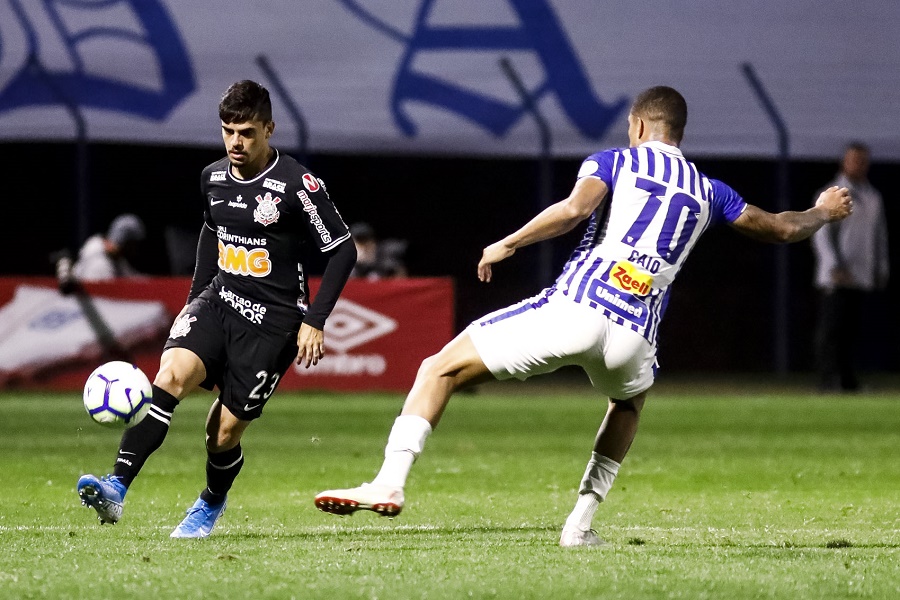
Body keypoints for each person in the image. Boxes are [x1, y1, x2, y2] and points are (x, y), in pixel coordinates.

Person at [314, 86, 852, 547]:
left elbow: (573, 212)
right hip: (635, 337)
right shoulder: (711, 191)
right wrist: (824, 212)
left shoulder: (614, 160)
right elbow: (783, 227)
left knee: (439, 368)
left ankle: (389, 481)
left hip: (575, 310)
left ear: (639, 124)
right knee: (628, 404)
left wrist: (508, 243)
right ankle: (580, 523)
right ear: (679, 132)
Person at [76, 80, 357, 538]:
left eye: (246, 132)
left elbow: (343, 250)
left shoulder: (297, 185)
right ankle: (115, 488)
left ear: (269, 128)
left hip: (274, 322)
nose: (235, 142)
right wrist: (194, 302)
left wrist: (314, 320)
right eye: (228, 131)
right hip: (220, 300)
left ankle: (211, 502)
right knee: (168, 376)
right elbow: (212, 232)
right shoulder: (213, 178)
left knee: (222, 434)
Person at [811, 142, 889, 392]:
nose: (859, 165)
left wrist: (881, 267)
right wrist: (834, 265)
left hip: (861, 274)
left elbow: (879, 235)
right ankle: (828, 381)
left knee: (851, 332)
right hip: (837, 277)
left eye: (863, 160)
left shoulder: (872, 196)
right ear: (844, 162)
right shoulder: (830, 194)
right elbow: (821, 232)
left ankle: (847, 382)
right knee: (832, 330)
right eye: (854, 160)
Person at [71, 213, 147, 282]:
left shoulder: (115, 258)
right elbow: (101, 295)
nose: (135, 250)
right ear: (126, 244)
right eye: (133, 245)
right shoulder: (99, 262)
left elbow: (133, 278)